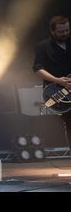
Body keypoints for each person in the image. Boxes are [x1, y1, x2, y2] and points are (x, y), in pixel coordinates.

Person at [33, 15, 71, 146]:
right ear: (52, 31)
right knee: (70, 122)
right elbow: (37, 69)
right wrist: (58, 80)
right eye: (61, 31)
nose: (65, 33)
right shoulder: (43, 47)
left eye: (67, 30)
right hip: (57, 92)